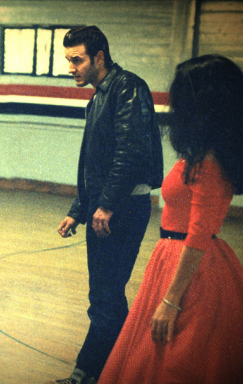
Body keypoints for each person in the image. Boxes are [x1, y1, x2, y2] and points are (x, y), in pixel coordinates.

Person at [97, 54, 243, 384]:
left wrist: (171, 300)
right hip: (173, 259)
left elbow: (199, 235)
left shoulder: (209, 161)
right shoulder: (203, 152)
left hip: (190, 267)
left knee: (178, 360)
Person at [55, 26, 164, 384]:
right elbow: (94, 164)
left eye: (77, 59)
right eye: (68, 59)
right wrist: (79, 208)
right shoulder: (100, 94)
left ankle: (87, 371)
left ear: (99, 57)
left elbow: (129, 152)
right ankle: (117, 367)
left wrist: (106, 205)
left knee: (105, 295)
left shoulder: (127, 87)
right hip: (107, 206)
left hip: (123, 209)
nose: (70, 67)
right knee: (105, 294)